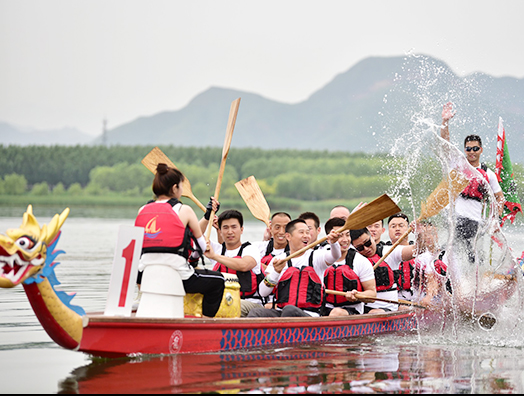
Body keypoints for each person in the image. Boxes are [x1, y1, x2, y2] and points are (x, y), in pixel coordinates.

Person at [134, 163, 225, 318]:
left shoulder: (142, 210)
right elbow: (201, 247)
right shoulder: (185, 210)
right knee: (218, 281)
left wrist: (208, 214)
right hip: (176, 274)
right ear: (175, 188)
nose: (182, 190)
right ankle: (206, 323)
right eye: (181, 187)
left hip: (144, 274)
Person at [441, 102, 505, 263]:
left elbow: (500, 197)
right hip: (454, 216)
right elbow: (445, 144)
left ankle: (476, 269)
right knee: (450, 250)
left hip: (473, 220)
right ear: (464, 150)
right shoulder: (457, 165)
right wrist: (445, 122)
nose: (471, 152)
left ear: (481, 150)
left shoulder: (487, 174)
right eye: (468, 149)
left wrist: (495, 220)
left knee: (470, 255)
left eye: (475, 149)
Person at [247, 218, 341, 318]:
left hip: (309, 315)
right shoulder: (279, 259)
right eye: (301, 232)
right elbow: (263, 292)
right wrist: (276, 272)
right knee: (256, 313)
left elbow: (335, 256)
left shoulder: (316, 256)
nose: (306, 236)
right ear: (288, 236)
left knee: (289, 310)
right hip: (281, 313)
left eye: (307, 232)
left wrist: (334, 243)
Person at [204, 209, 264, 317]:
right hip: (223, 301)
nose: (230, 231)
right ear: (220, 230)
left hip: (251, 303)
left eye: (234, 227)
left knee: (230, 306)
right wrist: (207, 216)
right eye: (225, 228)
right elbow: (194, 235)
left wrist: (214, 256)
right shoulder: (216, 249)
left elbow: (244, 265)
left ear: (241, 230)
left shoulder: (251, 249)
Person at [350, 228, 415, 313]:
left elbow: (416, 250)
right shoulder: (353, 260)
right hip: (361, 308)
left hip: (387, 307)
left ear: (372, 236)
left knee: (374, 313)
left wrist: (419, 233)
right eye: (360, 248)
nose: (366, 249)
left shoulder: (388, 252)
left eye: (367, 243)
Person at [323, 217, 376, 316]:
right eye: (340, 236)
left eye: (347, 235)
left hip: (352, 310)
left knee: (336, 312)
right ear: (329, 238)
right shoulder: (320, 257)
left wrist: (358, 295)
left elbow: (372, 294)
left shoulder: (361, 261)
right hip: (324, 308)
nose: (345, 240)